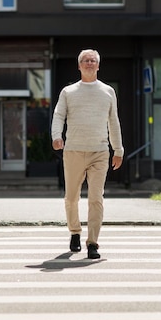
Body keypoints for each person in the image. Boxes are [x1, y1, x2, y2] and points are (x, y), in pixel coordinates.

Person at [51, 49, 124, 259]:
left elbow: (114, 122)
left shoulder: (108, 91)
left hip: (100, 152)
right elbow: (58, 115)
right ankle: (75, 232)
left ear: (98, 66)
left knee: (96, 198)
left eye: (93, 60)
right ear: (79, 66)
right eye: (85, 60)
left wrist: (118, 150)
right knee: (71, 198)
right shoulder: (69, 92)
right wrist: (56, 136)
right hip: (73, 150)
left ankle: (93, 243)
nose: (89, 63)